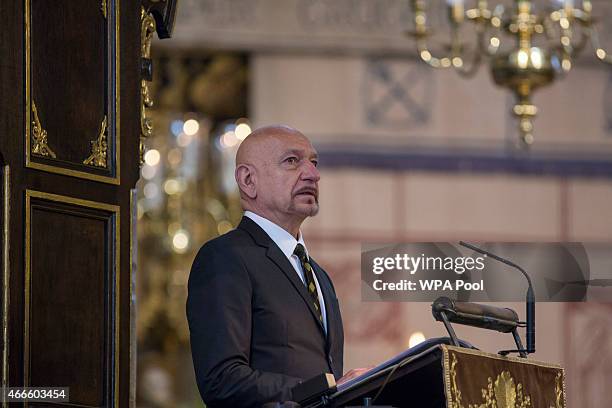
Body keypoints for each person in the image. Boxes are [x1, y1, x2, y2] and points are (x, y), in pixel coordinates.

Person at [187, 125, 365, 408]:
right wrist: (326, 389)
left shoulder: (319, 276)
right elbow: (222, 379)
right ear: (248, 180)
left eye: (314, 163)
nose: (313, 174)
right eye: (292, 161)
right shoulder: (225, 257)